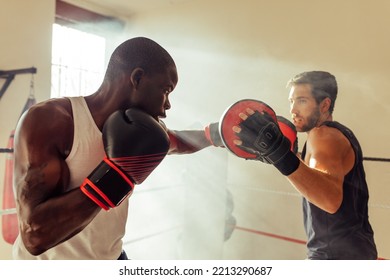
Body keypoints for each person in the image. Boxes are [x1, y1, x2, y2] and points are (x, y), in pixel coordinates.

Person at [12, 37, 221, 260]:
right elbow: (34, 235)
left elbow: (177, 141)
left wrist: (220, 133)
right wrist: (117, 176)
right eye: (166, 90)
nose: (168, 104)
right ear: (137, 78)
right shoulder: (53, 120)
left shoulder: (139, 131)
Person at [232, 71, 377, 260]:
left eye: (301, 101)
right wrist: (289, 156)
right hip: (353, 253)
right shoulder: (337, 135)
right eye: (291, 101)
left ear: (325, 104)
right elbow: (318, 178)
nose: (293, 110)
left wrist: (280, 156)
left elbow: (330, 200)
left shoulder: (322, 136)